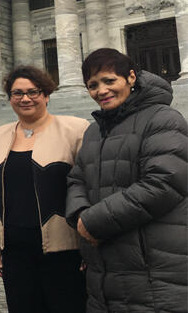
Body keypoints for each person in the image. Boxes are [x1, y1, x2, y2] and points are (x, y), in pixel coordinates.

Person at [66, 48, 188, 313]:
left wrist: (93, 223)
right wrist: (80, 215)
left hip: (154, 271)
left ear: (131, 77)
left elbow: (164, 183)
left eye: (110, 81)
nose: (101, 91)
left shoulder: (163, 118)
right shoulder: (93, 131)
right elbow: (77, 178)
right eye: (93, 85)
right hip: (105, 273)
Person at [0, 66, 87, 312]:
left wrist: (90, 244)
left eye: (33, 91)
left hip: (64, 250)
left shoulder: (76, 130)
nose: (25, 98)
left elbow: (89, 187)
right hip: (15, 252)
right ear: (9, 98)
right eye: (17, 93)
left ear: (47, 94)